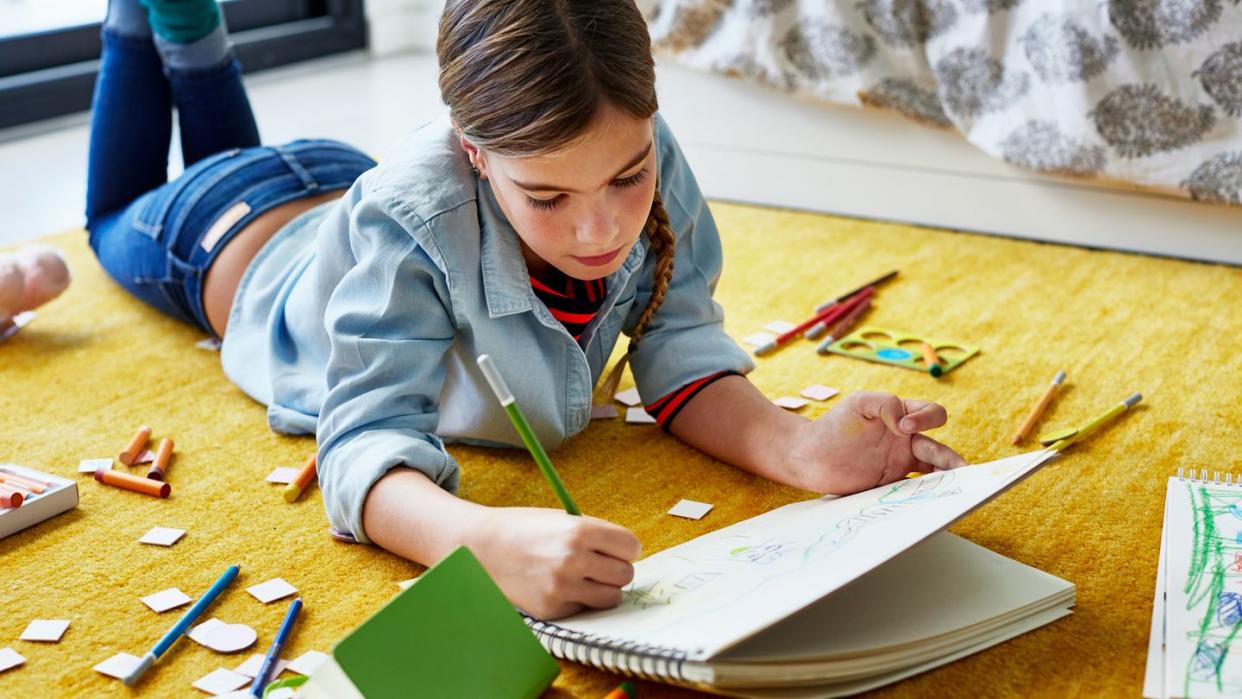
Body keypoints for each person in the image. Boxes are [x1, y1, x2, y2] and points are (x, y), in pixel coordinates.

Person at [86, 0, 967, 619]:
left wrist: (800, 445)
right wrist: (479, 542)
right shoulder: (407, 218)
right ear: (473, 154)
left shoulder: (646, 145)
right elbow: (360, 444)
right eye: (546, 196)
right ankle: (157, 22)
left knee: (239, 147)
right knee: (107, 218)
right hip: (221, 239)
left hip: (334, 172)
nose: (601, 229)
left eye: (628, 178)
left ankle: (190, 35)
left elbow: (682, 347)